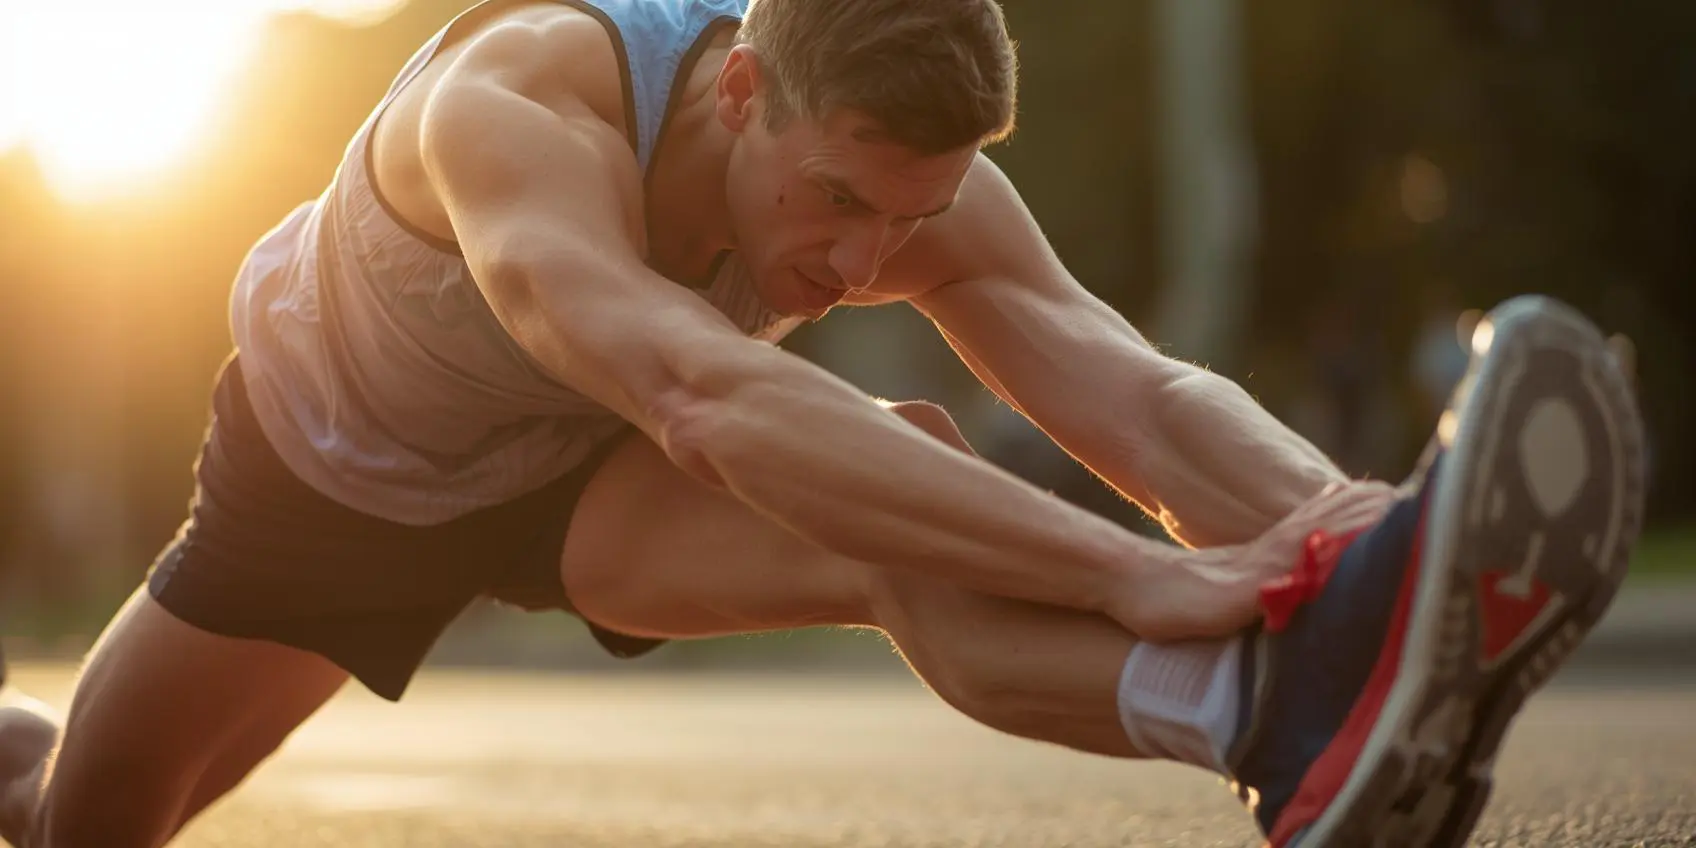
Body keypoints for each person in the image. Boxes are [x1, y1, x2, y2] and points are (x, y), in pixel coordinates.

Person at [0, 1, 1647, 846]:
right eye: (838, 201)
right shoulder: (513, 111)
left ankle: (1284, 721)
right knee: (81, 824)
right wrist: (1129, 573)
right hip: (319, 480)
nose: (862, 260)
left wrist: (1357, 538)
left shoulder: (897, 173)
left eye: (904, 218)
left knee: (899, 508)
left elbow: (1127, 386)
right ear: (737, 93)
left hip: (574, 489)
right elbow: (699, 389)